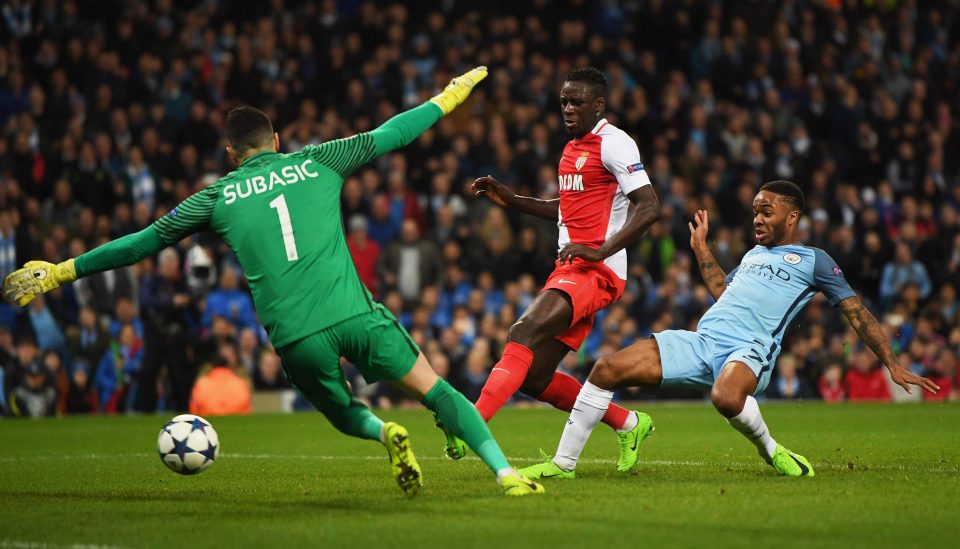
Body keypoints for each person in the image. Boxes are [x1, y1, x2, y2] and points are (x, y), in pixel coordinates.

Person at [3, 67, 542, 497]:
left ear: (231, 155)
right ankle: (504, 475)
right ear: (277, 139)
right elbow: (392, 133)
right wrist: (448, 97)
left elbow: (143, 242)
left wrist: (62, 271)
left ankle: (385, 433)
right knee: (437, 390)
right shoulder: (319, 159)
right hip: (356, 313)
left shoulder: (216, 197)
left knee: (345, 413)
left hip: (297, 335)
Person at [520, 180, 939, 479]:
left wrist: (892, 363)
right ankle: (564, 465)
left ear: (791, 217)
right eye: (754, 210)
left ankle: (772, 451)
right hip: (703, 341)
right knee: (605, 369)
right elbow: (722, 288)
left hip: (750, 348)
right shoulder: (753, 255)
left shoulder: (814, 260)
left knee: (724, 396)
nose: (756, 218)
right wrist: (702, 250)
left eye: (766, 211)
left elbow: (857, 313)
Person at [454, 67, 660, 472]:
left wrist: (600, 251)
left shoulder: (615, 143)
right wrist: (513, 200)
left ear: (598, 104)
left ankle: (472, 426)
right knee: (534, 376)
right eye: (564, 101)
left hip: (595, 271)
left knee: (522, 332)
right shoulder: (571, 149)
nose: (567, 108)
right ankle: (628, 422)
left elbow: (650, 206)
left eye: (576, 102)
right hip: (571, 266)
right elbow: (566, 211)